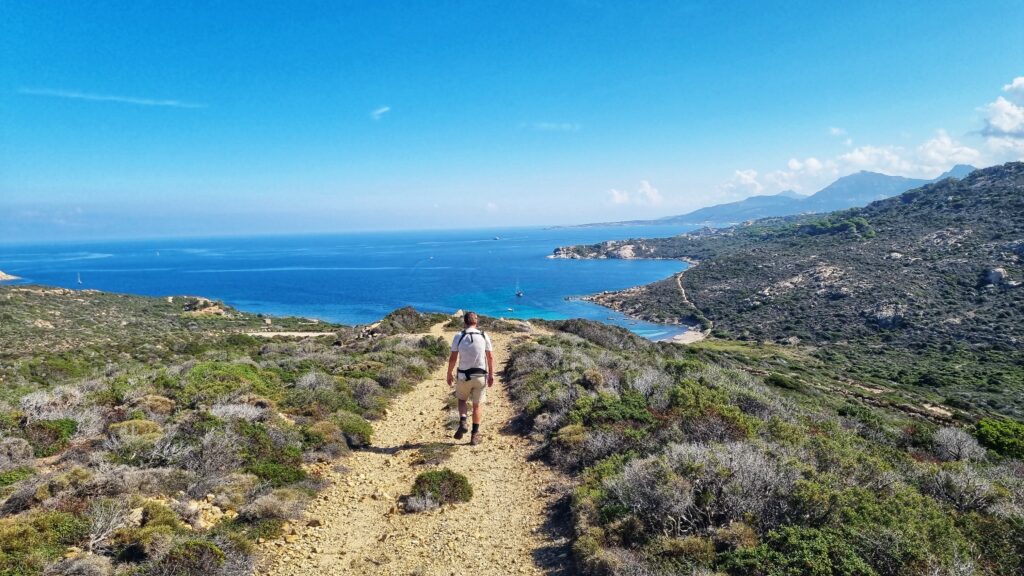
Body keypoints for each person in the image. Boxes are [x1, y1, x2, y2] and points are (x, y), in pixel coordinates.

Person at [446, 311, 494, 445]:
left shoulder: (459, 336)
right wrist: (491, 374)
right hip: (480, 376)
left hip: (463, 376)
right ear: (476, 321)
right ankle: (474, 436)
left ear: (465, 322)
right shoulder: (484, 335)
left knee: (462, 400)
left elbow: (453, 358)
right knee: (477, 406)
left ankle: (462, 421)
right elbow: (490, 357)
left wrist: (449, 373)